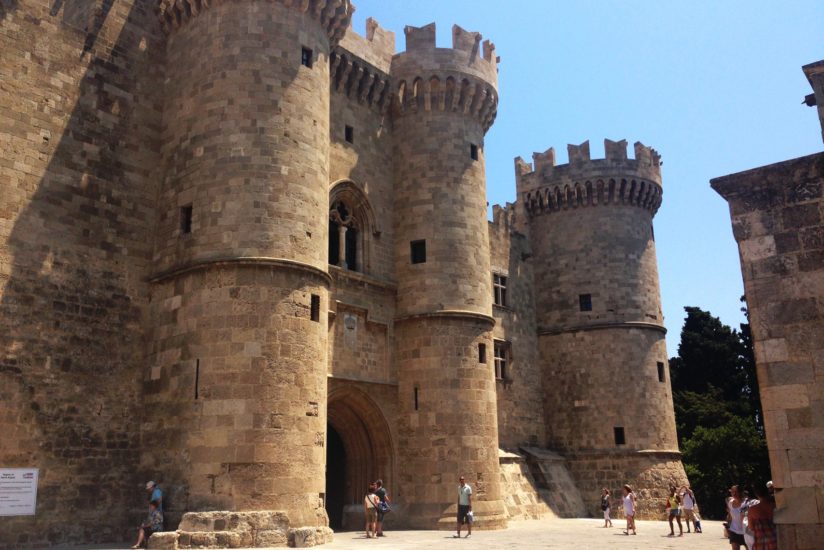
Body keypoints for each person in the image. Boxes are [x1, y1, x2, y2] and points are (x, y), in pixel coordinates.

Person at [747, 485, 777, 550]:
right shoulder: (774, 506)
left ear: (756, 494)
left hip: (760, 543)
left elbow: (751, 527)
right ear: (767, 492)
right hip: (775, 540)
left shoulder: (752, 510)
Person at [726, 485, 748, 550]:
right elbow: (730, 516)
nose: (734, 494)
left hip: (746, 531)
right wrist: (727, 526)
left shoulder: (747, 503)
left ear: (741, 492)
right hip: (734, 530)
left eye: (736, 492)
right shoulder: (730, 502)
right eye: (732, 492)